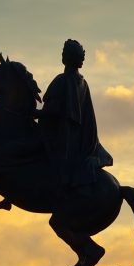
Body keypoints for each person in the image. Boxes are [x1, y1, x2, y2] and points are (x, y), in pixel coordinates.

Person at [37, 39, 112, 193]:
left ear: (65, 57)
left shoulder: (63, 80)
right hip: (75, 137)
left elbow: (55, 111)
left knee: (30, 149)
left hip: (61, 136)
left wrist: (32, 113)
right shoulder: (82, 82)